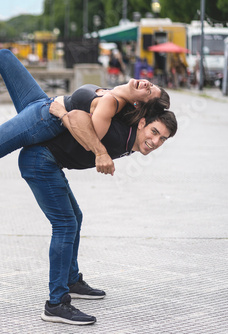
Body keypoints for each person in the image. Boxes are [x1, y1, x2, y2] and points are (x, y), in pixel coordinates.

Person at [0, 27, 170, 253]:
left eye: (150, 91)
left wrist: (75, 128)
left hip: (44, 118)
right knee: (3, 57)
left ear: (139, 104)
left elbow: (86, 134)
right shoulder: (115, 93)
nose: (148, 83)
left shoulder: (112, 103)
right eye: (152, 85)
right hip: (42, 102)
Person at [18, 107, 178, 325]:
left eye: (163, 139)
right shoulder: (117, 134)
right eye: (154, 131)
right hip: (39, 160)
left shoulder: (133, 140)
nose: (156, 141)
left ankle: (71, 280)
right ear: (141, 124)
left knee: (75, 217)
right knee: (65, 225)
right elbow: (90, 109)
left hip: (50, 162)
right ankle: (56, 304)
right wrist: (64, 110)